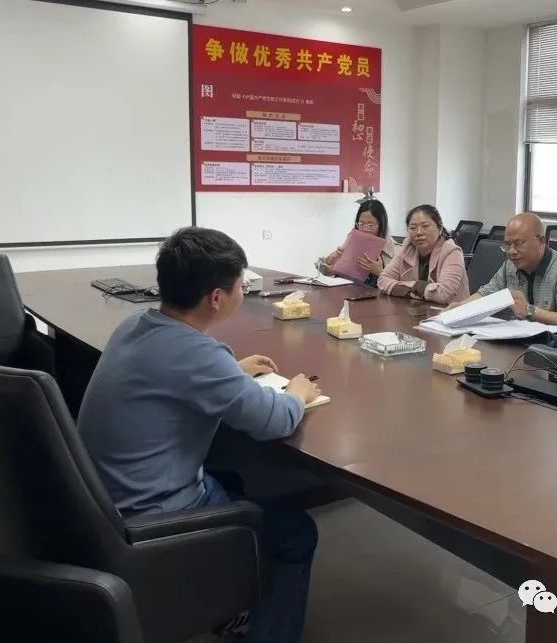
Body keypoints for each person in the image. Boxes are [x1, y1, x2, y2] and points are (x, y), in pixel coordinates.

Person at [77, 227, 321, 643]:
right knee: (296, 533)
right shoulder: (198, 354)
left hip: (102, 500)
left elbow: (179, 372)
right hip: (150, 514)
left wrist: (231, 372)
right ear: (217, 297)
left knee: (234, 479)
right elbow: (273, 420)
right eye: (241, 285)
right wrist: (298, 393)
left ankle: (229, 605)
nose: (243, 292)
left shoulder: (136, 324)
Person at [445, 213, 557, 325]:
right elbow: (487, 293)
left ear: (541, 242)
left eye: (519, 243)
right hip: (526, 340)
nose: (512, 251)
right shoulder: (510, 266)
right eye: (508, 245)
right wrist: (461, 307)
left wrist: (529, 311)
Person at [377, 204, 469, 304]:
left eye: (425, 226)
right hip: (416, 309)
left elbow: (444, 293)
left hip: (451, 311)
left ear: (439, 228)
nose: (419, 232)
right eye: (413, 228)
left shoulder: (452, 252)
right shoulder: (407, 249)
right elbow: (382, 280)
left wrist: (408, 286)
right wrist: (412, 290)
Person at [315, 199, 398, 287]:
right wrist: (331, 258)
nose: (365, 230)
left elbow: (400, 288)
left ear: (381, 226)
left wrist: (380, 272)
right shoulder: (353, 241)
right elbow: (327, 272)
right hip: (347, 292)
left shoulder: (396, 251)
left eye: (371, 225)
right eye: (361, 224)